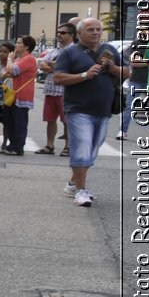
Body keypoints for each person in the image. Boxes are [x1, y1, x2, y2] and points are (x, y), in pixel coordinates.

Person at [53, 16, 127, 207]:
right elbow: (58, 78)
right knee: (82, 147)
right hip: (78, 108)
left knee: (91, 151)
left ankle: (72, 183)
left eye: (98, 29)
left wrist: (113, 68)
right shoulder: (70, 53)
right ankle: (81, 191)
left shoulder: (109, 50)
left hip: (103, 110)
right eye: (90, 30)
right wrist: (84, 75)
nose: (95, 33)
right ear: (79, 34)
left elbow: (128, 72)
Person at [36, 24, 74, 155]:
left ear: (71, 35)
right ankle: (49, 145)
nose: (59, 35)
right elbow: (42, 65)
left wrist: (52, 66)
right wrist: (56, 67)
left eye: (63, 33)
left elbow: (69, 68)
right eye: (58, 32)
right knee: (50, 120)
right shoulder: (54, 51)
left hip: (65, 91)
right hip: (50, 89)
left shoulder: (74, 51)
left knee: (67, 121)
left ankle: (68, 146)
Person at [1, 36, 37, 156]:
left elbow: (13, 71)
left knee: (19, 122)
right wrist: (10, 64)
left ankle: (18, 147)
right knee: (10, 121)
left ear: (26, 46)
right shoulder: (19, 59)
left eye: (19, 43)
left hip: (21, 95)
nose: (16, 45)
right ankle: (12, 145)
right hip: (12, 94)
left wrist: (10, 60)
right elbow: (3, 73)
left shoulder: (29, 59)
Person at [118, 34, 149, 140]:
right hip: (136, 80)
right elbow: (135, 62)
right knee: (129, 107)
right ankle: (122, 131)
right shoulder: (136, 44)